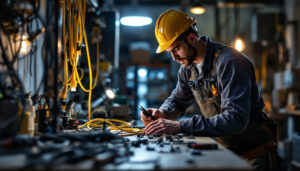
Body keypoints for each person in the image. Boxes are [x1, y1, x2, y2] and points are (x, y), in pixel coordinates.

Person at [140, 9, 279, 170]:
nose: (174, 58)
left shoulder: (230, 62)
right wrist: (162, 113)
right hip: (225, 154)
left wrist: (180, 126)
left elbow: (235, 119)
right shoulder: (187, 68)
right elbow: (178, 101)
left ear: (192, 38)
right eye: (169, 52)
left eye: (176, 49)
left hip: (253, 157)